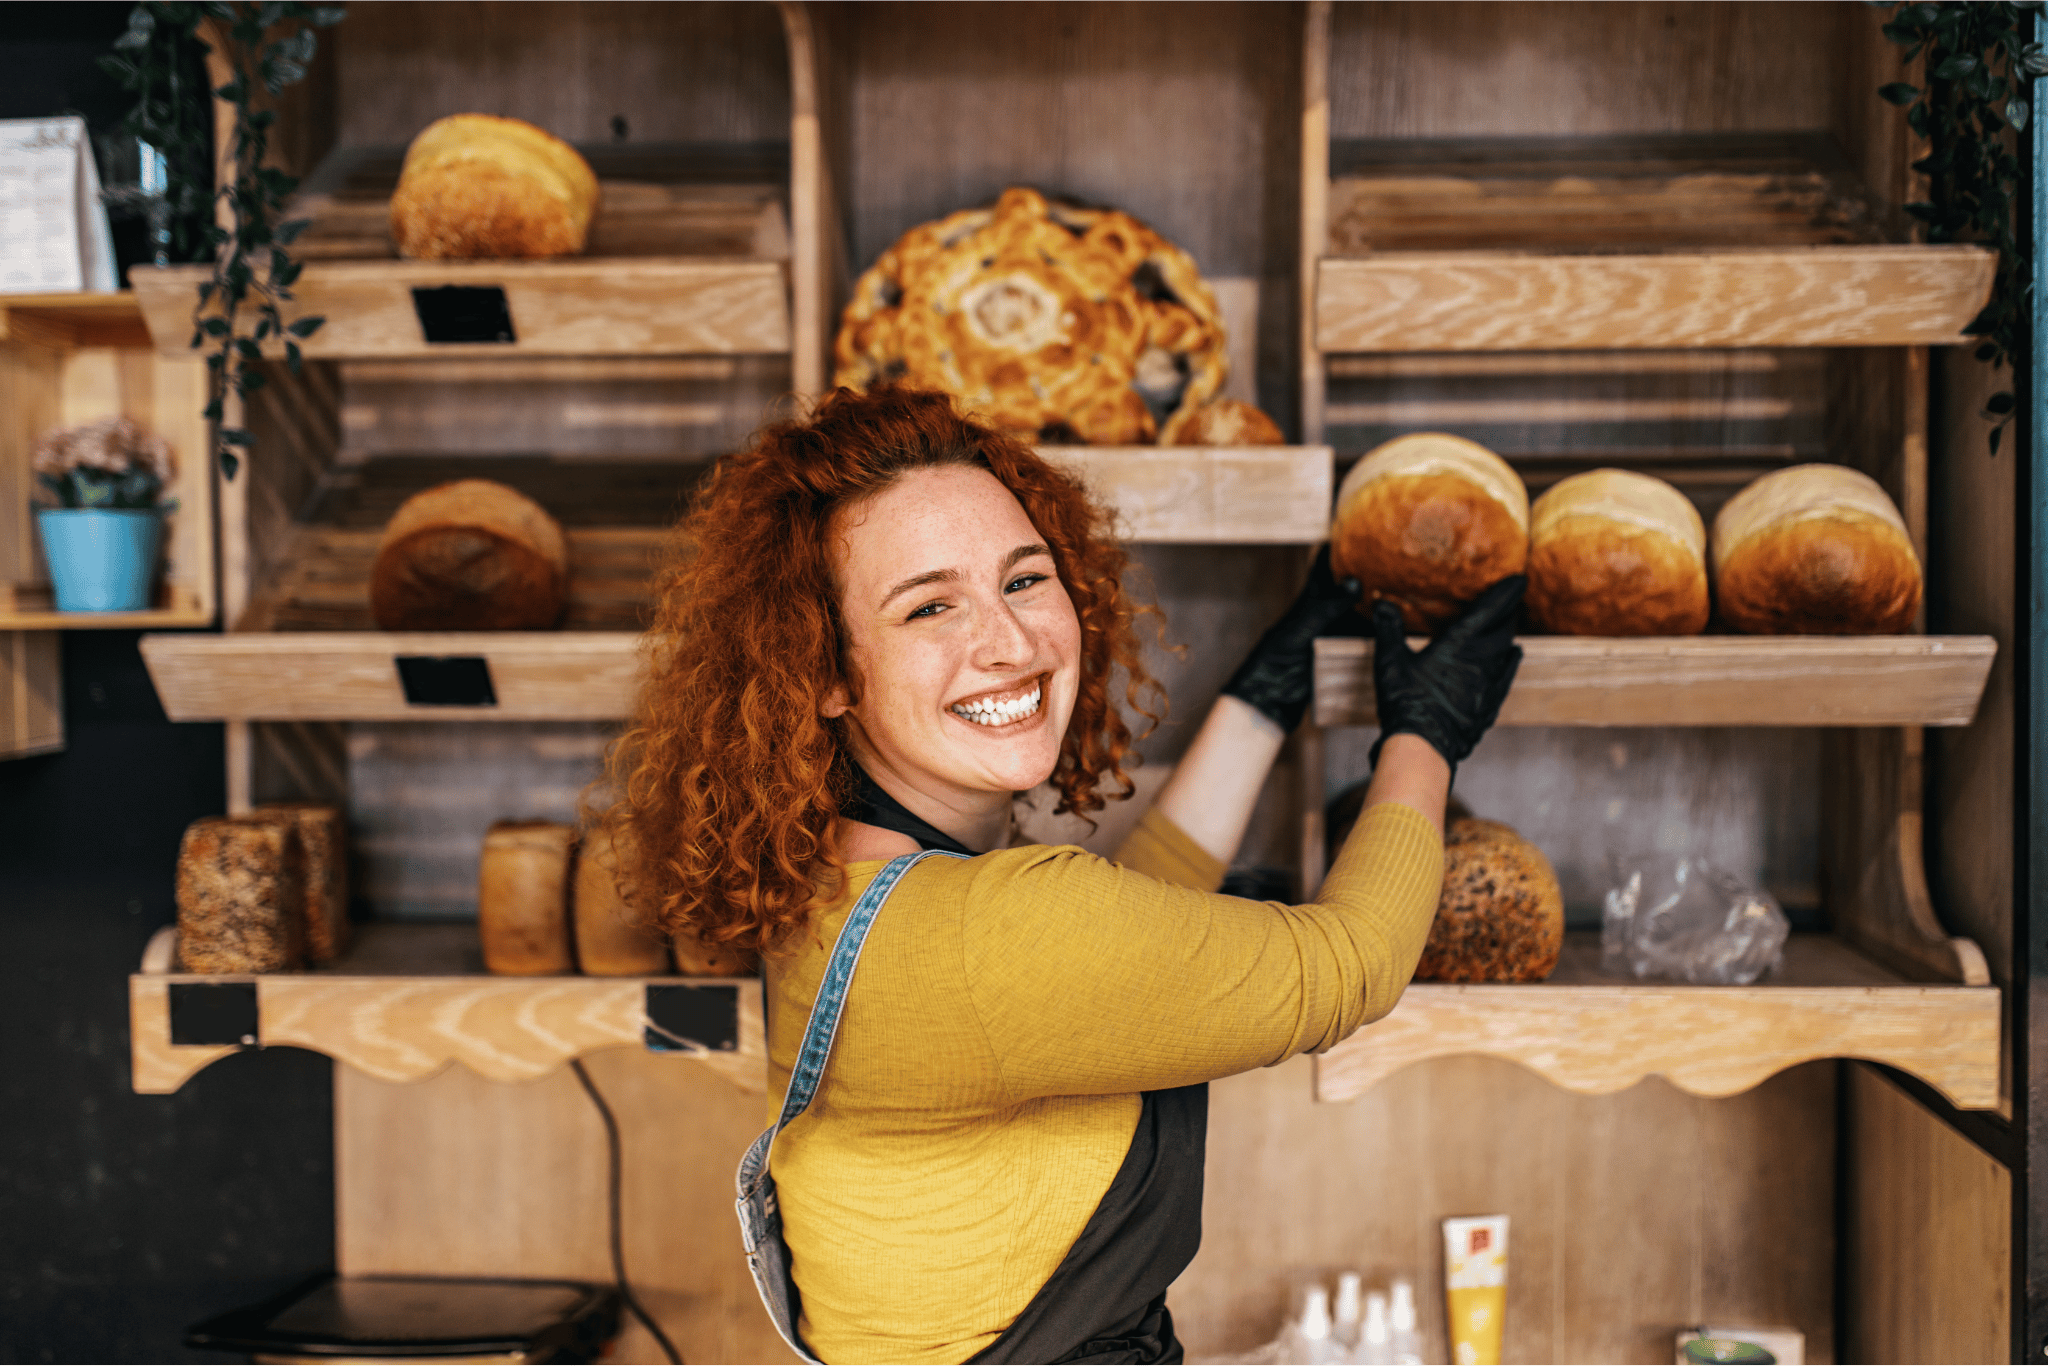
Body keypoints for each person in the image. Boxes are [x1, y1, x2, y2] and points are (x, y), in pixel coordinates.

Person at [600, 387, 1523, 1365]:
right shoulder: (989, 934)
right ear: (823, 671)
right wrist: (1425, 737)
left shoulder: (839, 890)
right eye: (929, 606)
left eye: (1024, 579)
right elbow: (1351, 963)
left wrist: (1265, 693)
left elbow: (1121, 944)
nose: (1009, 642)